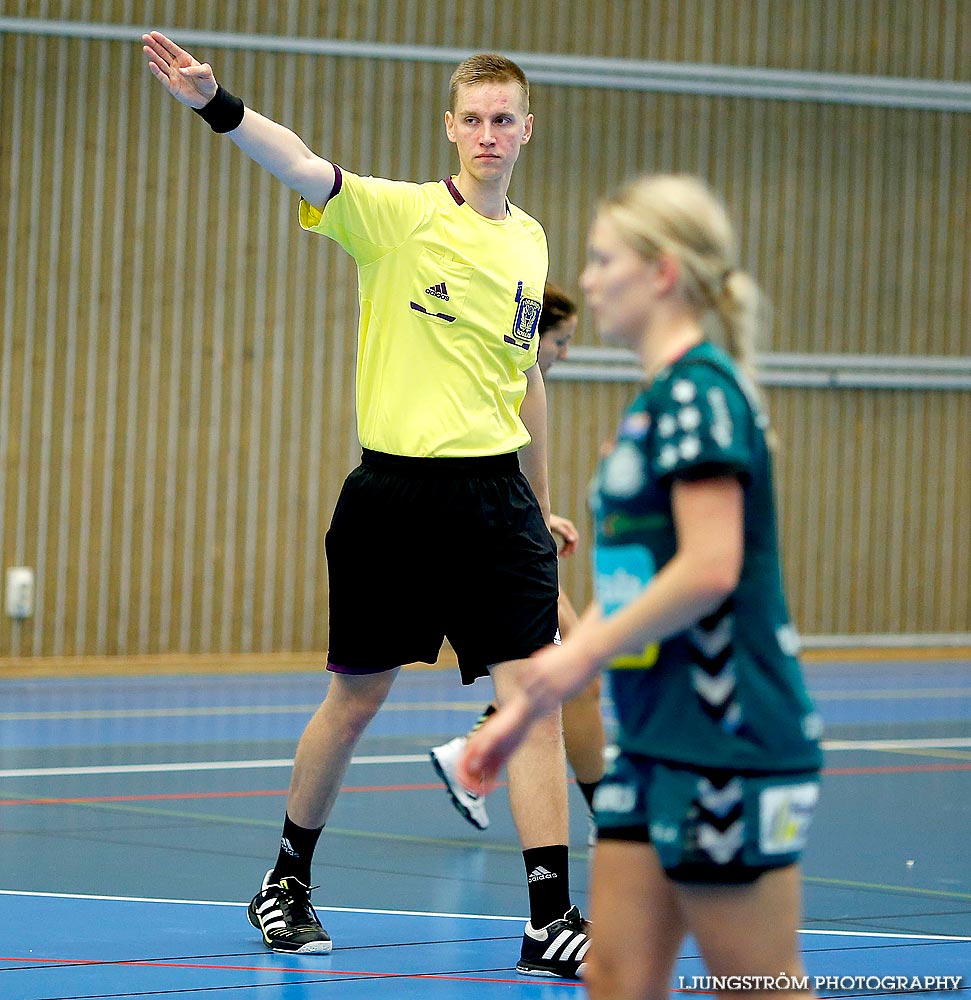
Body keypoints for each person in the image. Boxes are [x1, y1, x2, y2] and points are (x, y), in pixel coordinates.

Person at [141, 31, 589, 979]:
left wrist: (539, 503)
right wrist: (215, 104)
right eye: (472, 119)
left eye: (503, 119)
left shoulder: (529, 239)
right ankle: (286, 881)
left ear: (526, 131)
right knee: (356, 698)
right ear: (449, 129)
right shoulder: (395, 216)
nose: (487, 134)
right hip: (394, 497)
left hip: (496, 502)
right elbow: (299, 162)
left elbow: (525, 382)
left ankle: (550, 918)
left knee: (535, 704)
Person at [459, 174, 824, 1000]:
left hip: (725, 742)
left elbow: (708, 566)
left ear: (660, 273)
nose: (584, 280)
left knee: (759, 986)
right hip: (652, 741)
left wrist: (562, 661)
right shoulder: (655, 402)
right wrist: (523, 708)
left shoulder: (700, 394)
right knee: (616, 979)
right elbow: (633, 587)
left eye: (602, 259)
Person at [429, 282, 606, 836]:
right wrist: (535, 518)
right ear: (532, 335)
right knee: (574, 671)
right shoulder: (499, 379)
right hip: (489, 536)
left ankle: (473, 753)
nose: (566, 353)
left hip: (514, 528)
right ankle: (614, 819)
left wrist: (543, 515)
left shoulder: (515, 383)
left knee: (573, 671)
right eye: (562, 340)